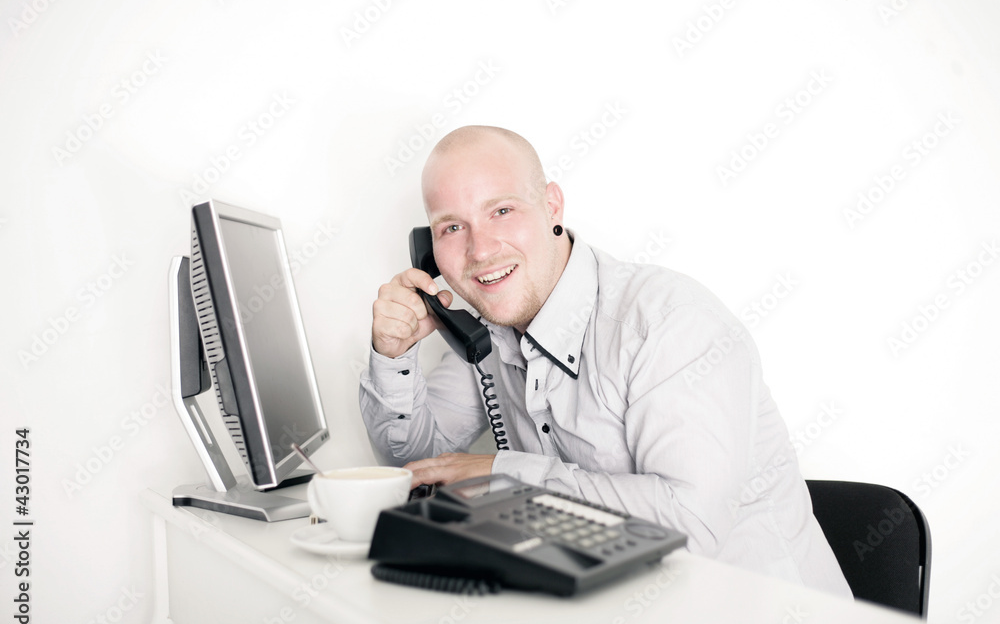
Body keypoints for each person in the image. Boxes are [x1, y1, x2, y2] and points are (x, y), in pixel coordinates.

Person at [359, 125, 851, 596]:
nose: (480, 250)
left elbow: (690, 527)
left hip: (760, 623)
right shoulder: (488, 334)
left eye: (502, 211)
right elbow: (417, 468)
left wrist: (504, 475)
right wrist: (394, 354)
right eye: (452, 227)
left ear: (552, 206)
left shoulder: (669, 324)